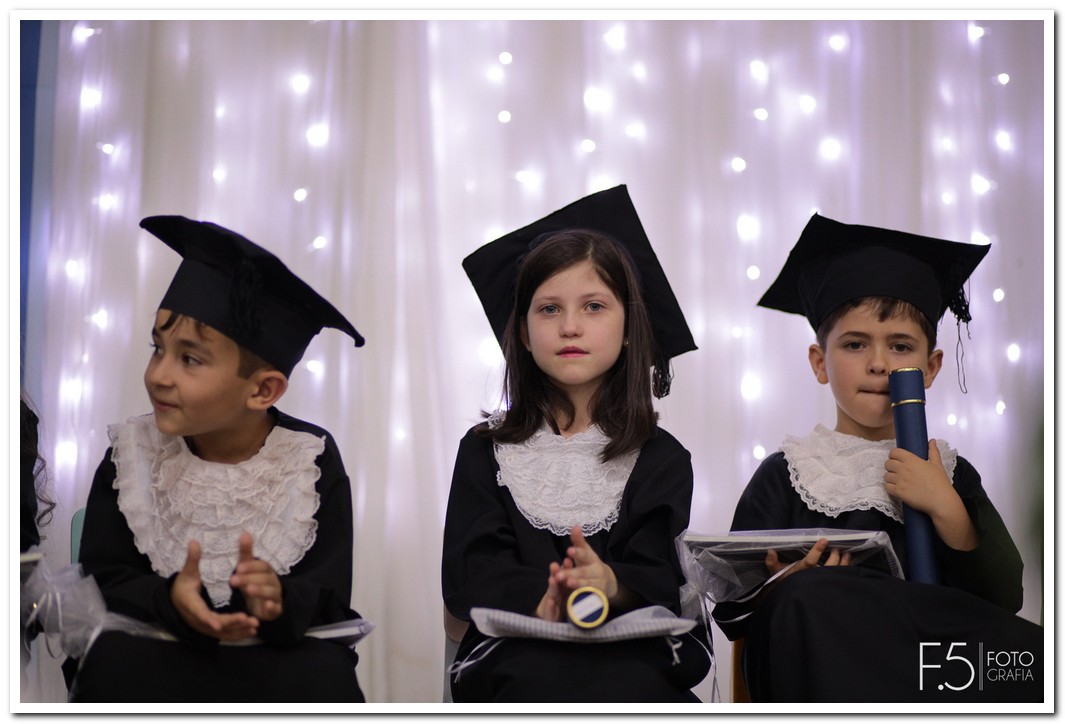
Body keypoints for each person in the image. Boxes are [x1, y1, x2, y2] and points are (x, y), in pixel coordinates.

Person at [712, 213, 1043, 703]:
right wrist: (784, 583)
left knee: (1036, 655)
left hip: (927, 666)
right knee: (809, 598)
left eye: (901, 346)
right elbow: (732, 608)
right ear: (820, 362)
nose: (879, 363)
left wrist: (945, 505)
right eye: (855, 344)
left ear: (930, 368)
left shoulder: (948, 470)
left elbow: (1003, 596)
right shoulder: (788, 472)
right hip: (829, 663)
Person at [67, 216, 368, 703]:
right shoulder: (132, 454)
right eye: (158, 348)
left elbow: (327, 596)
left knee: (324, 677)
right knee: (112, 666)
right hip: (158, 646)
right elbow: (104, 580)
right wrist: (170, 600)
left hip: (270, 656)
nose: (159, 375)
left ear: (263, 390)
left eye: (189, 359)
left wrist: (274, 598)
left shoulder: (308, 459)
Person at [442, 185, 712, 703]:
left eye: (593, 306)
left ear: (630, 326)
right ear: (523, 334)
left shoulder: (661, 457)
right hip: (515, 649)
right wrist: (548, 595)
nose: (570, 326)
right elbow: (471, 573)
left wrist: (609, 583)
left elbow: (659, 575)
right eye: (548, 309)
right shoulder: (484, 451)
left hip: (630, 652)